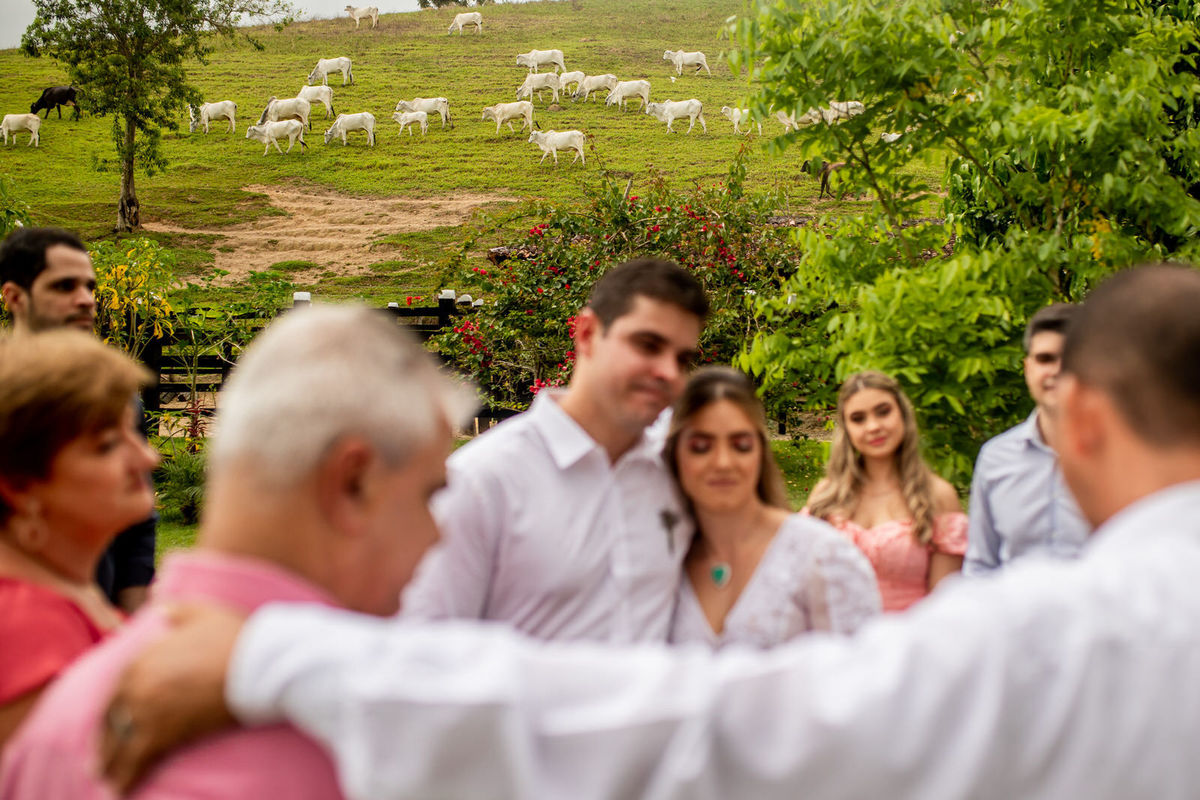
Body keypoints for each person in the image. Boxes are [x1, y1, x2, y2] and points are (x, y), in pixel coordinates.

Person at [88, 265, 1200, 799]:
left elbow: (736, 726)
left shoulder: (1080, 630)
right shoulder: (485, 477)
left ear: (1083, 418)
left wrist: (275, 651)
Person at [1, 306, 474, 797]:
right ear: (352, 482)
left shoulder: (71, 708)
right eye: (429, 495)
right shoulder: (367, 745)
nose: (438, 535)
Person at [401, 258, 709, 642]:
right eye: (648, 345)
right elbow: (425, 647)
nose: (668, 372)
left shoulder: (681, 473)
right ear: (587, 334)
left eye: (682, 359)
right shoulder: (482, 481)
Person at [0, 330, 158, 748]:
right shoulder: (26, 635)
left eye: (134, 435)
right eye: (107, 445)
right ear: (20, 484)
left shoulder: (67, 591)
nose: (147, 458)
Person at [0, 226, 158, 613]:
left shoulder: (114, 394)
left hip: (92, 609)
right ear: (14, 297)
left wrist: (128, 618)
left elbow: (137, 523)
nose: (86, 300)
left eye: (90, 286)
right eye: (64, 287)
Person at [664, 366, 880, 647]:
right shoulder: (663, 560)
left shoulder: (822, 556)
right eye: (701, 446)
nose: (723, 462)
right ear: (675, 453)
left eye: (741, 445)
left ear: (760, 453)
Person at [804, 371, 965, 611]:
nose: (873, 426)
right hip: (835, 642)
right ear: (846, 429)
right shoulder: (826, 496)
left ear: (903, 414)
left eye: (883, 412)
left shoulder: (938, 496)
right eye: (858, 419)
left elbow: (945, 608)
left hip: (909, 643)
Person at [963, 304, 1090, 575]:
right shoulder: (996, 458)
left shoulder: (1122, 455)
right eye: (1045, 359)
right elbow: (981, 566)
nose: (1056, 370)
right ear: (1028, 368)